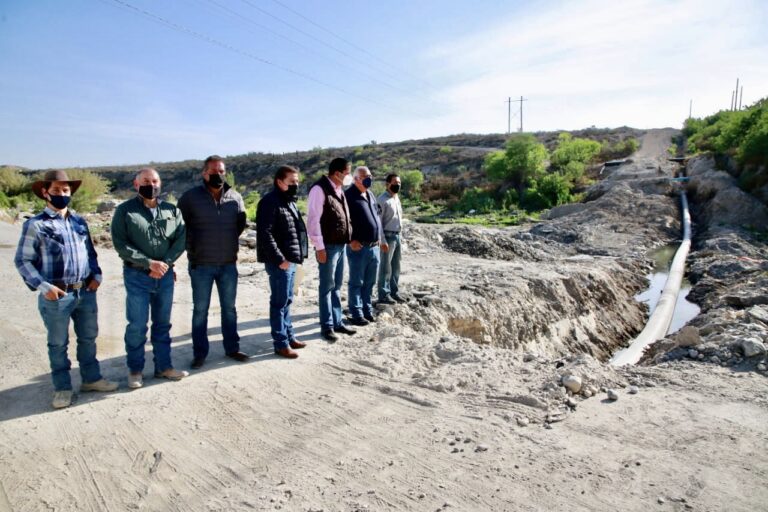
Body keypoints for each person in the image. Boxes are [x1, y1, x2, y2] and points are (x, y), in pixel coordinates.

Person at [14, 170, 118, 409]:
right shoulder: (35, 225)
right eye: (57, 190)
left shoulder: (79, 222)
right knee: (58, 343)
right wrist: (42, 286)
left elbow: (90, 253)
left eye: (66, 190)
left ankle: (91, 379)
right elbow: (23, 261)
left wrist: (97, 274)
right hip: (56, 295)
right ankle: (62, 388)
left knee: (88, 338)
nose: (62, 194)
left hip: (85, 292)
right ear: (45, 192)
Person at [111, 168, 188, 389]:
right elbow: (120, 243)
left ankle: (164, 367)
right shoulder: (125, 211)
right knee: (137, 325)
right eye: (146, 181)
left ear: (160, 184)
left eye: (155, 181)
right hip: (137, 275)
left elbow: (181, 239)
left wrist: (164, 263)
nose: (151, 185)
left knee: (163, 324)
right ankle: (135, 370)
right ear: (136, 184)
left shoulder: (172, 211)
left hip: (164, 277)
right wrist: (148, 263)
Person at [178, 155, 250, 369]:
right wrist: (192, 250)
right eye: (213, 171)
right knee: (200, 310)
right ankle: (200, 353)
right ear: (204, 173)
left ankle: (232, 348)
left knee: (229, 308)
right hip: (201, 264)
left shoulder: (235, 197)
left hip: (228, 264)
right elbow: (180, 228)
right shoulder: (190, 198)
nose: (218, 175)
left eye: (221, 171)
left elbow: (240, 224)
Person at [256, 165, 309, 358]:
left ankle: (289, 336)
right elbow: (265, 234)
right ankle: (280, 344)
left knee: (287, 300)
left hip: (291, 261)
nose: (296, 185)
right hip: (280, 262)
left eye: (297, 181)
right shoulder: (270, 202)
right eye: (292, 182)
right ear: (280, 182)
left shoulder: (289, 201)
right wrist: (280, 259)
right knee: (278, 303)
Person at [306, 157, 357, 342]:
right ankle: (326, 326)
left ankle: (337, 322)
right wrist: (319, 247)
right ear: (337, 173)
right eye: (347, 172)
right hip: (327, 247)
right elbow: (313, 221)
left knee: (336, 286)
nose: (349, 176)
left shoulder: (338, 189)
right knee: (326, 287)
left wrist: (349, 238)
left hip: (340, 245)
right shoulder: (319, 190)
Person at [344, 166, 385, 325]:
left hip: (374, 247)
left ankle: (367, 310)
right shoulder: (348, 196)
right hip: (358, 248)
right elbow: (343, 221)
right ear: (355, 179)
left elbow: (376, 217)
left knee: (369, 282)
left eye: (370, 175)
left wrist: (380, 239)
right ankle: (356, 313)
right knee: (356, 282)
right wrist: (350, 240)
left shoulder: (370, 194)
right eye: (365, 176)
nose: (369, 178)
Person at [377, 173, 406, 304]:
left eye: (399, 183)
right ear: (387, 184)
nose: (397, 185)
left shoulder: (396, 198)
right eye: (395, 183)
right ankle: (383, 294)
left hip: (397, 235)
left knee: (396, 267)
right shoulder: (382, 200)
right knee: (385, 267)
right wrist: (382, 240)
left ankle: (394, 292)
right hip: (388, 236)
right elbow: (378, 223)